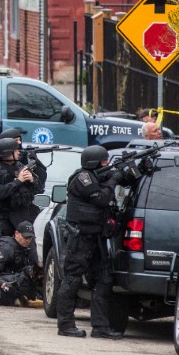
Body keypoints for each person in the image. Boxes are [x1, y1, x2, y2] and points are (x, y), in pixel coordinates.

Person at [55, 145, 124, 340]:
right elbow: (101, 199)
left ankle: (101, 327)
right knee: (72, 279)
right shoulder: (83, 178)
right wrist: (113, 180)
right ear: (94, 162)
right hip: (81, 237)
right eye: (104, 162)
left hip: (97, 238)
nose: (107, 164)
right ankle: (66, 325)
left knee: (103, 279)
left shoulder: (98, 176)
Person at [0, 137, 44, 249]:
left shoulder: (19, 166)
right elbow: (0, 193)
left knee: (28, 254)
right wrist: (18, 181)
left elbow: (39, 189)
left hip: (21, 218)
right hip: (2, 221)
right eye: (15, 151)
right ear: (8, 153)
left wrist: (32, 180)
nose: (18, 152)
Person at [0, 221, 41, 307]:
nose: (28, 240)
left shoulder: (26, 249)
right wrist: (2, 284)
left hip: (10, 280)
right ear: (16, 234)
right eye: (25, 237)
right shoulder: (6, 248)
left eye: (30, 238)